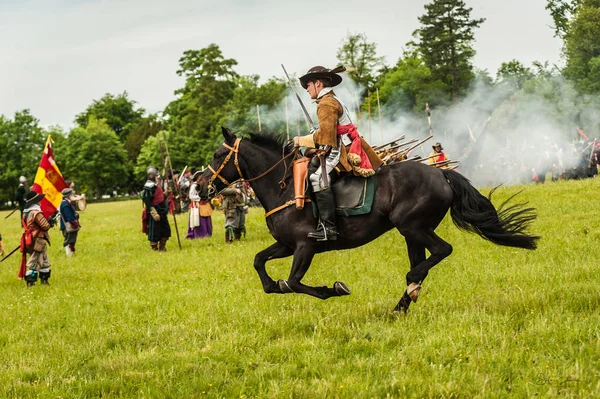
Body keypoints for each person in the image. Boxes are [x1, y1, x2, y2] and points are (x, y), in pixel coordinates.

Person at [291, 65, 383, 241]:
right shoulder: (330, 100)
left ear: (318, 83)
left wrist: (301, 140)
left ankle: (328, 228)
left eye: (308, 85)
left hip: (342, 149)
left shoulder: (326, 103)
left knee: (317, 178)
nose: (307, 89)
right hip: (342, 144)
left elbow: (327, 137)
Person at [21, 191, 53, 286]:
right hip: (38, 239)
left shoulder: (26, 212)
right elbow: (45, 226)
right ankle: (30, 281)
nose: (40, 202)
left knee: (44, 260)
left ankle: (44, 280)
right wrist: (50, 222)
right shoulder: (36, 213)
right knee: (35, 261)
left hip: (31, 238)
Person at [141, 166, 171, 251]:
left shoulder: (156, 185)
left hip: (162, 211)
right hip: (155, 212)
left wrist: (166, 193)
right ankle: (154, 248)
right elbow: (147, 200)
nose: (158, 177)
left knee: (165, 229)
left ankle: (162, 246)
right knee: (155, 231)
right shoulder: (148, 187)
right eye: (156, 176)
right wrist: (153, 212)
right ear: (152, 176)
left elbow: (159, 198)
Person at [186, 172, 213, 239]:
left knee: (207, 220)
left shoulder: (205, 184)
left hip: (205, 204)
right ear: (198, 177)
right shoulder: (194, 185)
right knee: (199, 220)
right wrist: (199, 199)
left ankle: (207, 233)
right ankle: (199, 234)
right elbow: (191, 196)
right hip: (197, 205)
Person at [59, 188, 80, 257]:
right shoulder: (65, 204)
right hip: (67, 225)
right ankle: (69, 256)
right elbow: (68, 216)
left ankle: (71, 253)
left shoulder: (67, 202)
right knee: (68, 240)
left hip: (70, 224)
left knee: (72, 239)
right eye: (72, 194)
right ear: (69, 196)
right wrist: (74, 222)